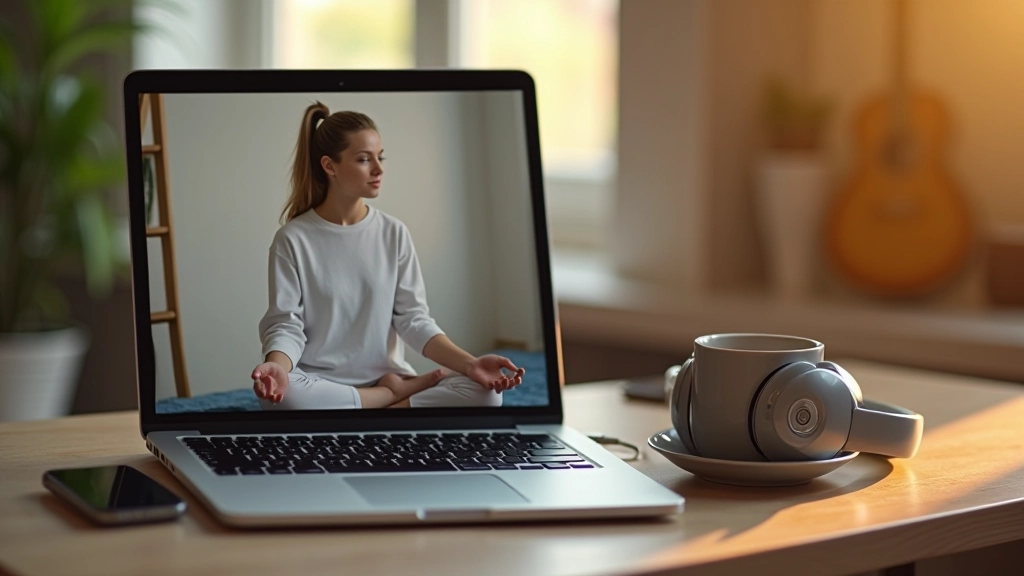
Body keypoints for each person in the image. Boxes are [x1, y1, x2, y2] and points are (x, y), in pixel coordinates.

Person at [252, 102, 525, 410]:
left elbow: (414, 320)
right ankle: (390, 400)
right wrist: (278, 367)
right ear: (330, 166)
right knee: (285, 397)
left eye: (380, 158)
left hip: (385, 376)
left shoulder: (393, 233)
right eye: (364, 160)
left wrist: (470, 364)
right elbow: (287, 324)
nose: (379, 169)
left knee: (487, 394)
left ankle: (375, 404)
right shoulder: (293, 239)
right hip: (324, 385)